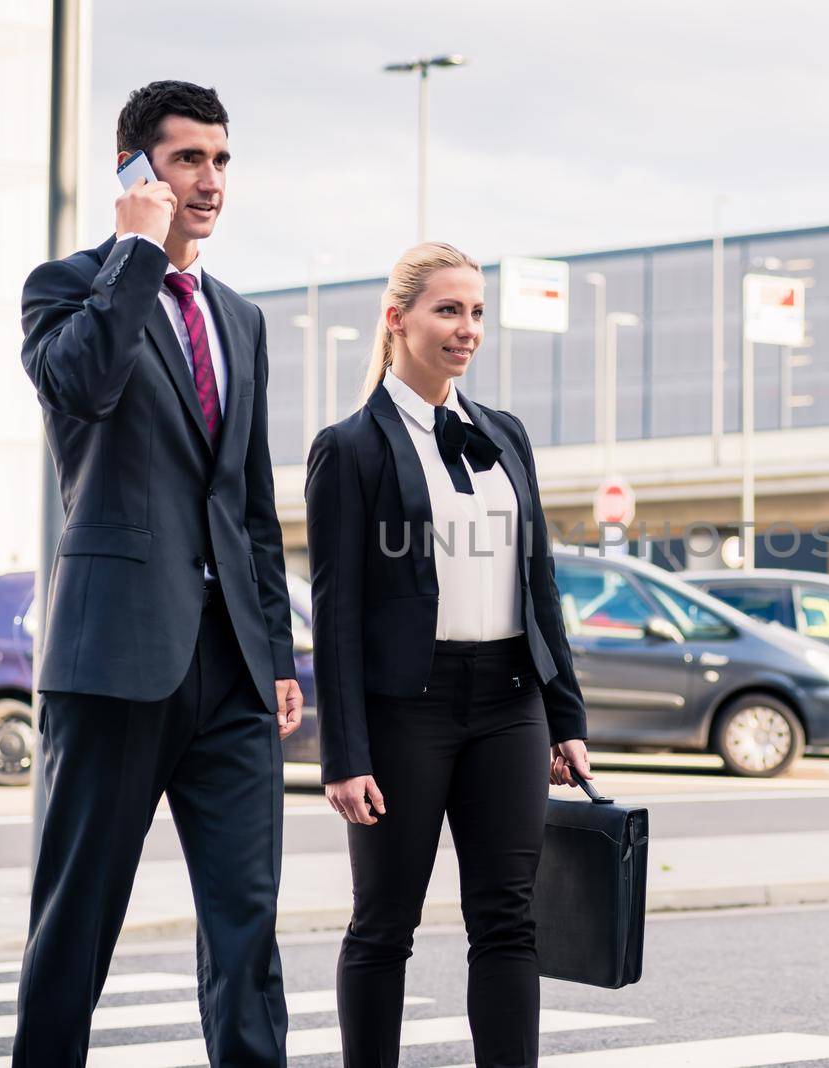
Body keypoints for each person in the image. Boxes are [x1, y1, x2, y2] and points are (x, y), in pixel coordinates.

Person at [13, 80, 302, 1067]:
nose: (210, 181)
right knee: (76, 925)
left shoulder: (242, 320)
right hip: (115, 660)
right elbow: (86, 384)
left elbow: (250, 504)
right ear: (136, 171)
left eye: (220, 159)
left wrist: (279, 653)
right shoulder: (65, 287)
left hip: (231, 674)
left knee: (246, 927)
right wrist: (137, 252)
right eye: (187, 160)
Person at [305, 241, 592, 1067]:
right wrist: (344, 754)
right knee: (384, 924)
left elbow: (539, 587)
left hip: (510, 702)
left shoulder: (506, 435)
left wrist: (564, 716)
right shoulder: (350, 447)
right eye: (448, 310)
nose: (466, 329)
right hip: (406, 712)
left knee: (508, 921)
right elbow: (337, 613)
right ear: (397, 321)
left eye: (476, 313)